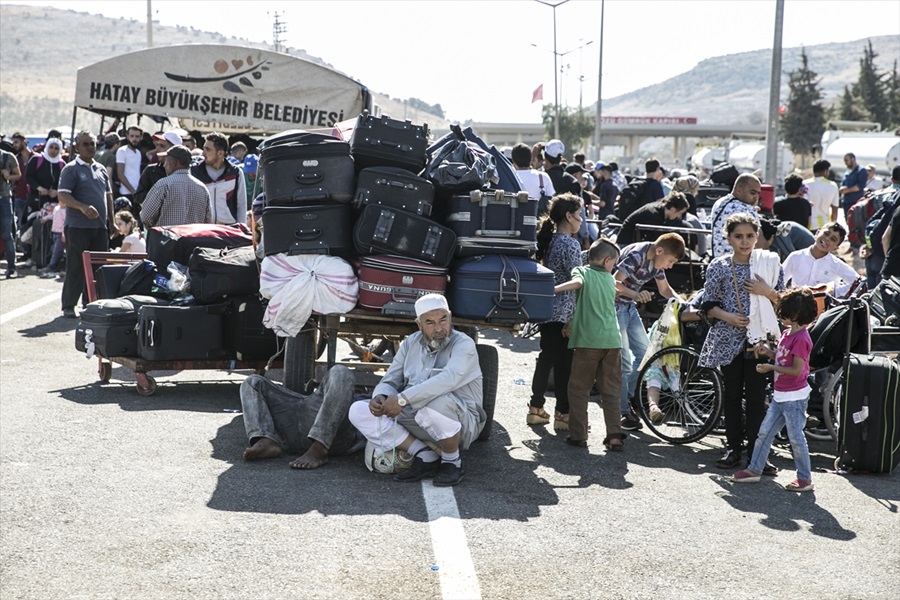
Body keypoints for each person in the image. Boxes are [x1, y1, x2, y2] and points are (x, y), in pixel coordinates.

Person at [347, 294, 485, 487]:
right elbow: (391, 378)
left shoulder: (464, 344)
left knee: (435, 402)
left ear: (450, 317)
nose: (438, 328)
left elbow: (448, 379)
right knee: (358, 411)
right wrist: (381, 397)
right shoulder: (411, 343)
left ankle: (452, 462)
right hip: (417, 416)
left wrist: (402, 399)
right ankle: (424, 455)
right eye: (430, 322)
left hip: (460, 423)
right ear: (419, 324)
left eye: (443, 320)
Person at [700, 213, 784, 471]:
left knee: (758, 397)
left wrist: (766, 292)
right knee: (732, 395)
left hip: (760, 340)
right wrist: (728, 317)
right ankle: (733, 449)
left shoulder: (769, 263)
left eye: (749, 236)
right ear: (728, 238)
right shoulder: (719, 265)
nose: (745, 242)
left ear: (757, 236)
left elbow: (783, 302)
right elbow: (707, 304)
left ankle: (759, 454)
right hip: (729, 339)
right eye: (738, 236)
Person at [732, 287, 819, 492]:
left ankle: (804, 478)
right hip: (782, 394)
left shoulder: (801, 339)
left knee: (796, 437)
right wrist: (770, 353)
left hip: (794, 396)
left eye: (785, 313)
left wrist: (771, 367)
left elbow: (797, 370)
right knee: (765, 433)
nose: (781, 317)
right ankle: (755, 469)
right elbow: (784, 359)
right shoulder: (788, 333)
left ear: (795, 314)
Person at [554, 238, 625, 450]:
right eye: (614, 263)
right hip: (612, 341)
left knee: (578, 388)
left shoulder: (583, 272)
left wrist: (554, 289)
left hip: (588, 342)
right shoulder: (609, 280)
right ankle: (614, 436)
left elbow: (577, 285)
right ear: (607, 261)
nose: (614, 267)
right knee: (611, 390)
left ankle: (578, 435)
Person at [614, 232, 686, 430]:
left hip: (629, 307)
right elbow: (614, 282)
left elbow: (665, 289)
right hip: (616, 307)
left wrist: (685, 304)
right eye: (670, 261)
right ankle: (623, 411)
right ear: (660, 250)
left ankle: (620, 397)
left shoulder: (657, 260)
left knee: (646, 355)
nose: (670, 266)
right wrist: (636, 294)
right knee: (625, 362)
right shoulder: (637, 255)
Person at [529, 193, 585, 431]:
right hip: (565, 310)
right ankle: (562, 412)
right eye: (580, 215)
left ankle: (536, 407)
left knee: (546, 358)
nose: (582, 220)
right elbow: (578, 279)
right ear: (569, 216)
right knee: (564, 364)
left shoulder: (549, 240)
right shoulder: (571, 244)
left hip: (546, 308)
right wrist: (574, 317)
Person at [240, 365, 365, 470]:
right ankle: (265, 439)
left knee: (340, 371)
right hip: (291, 423)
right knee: (252, 381)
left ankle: (320, 447)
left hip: (329, 429)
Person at [57, 132, 114, 318]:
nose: (90, 147)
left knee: (98, 268)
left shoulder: (101, 169)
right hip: (78, 226)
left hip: (99, 228)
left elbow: (108, 197)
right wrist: (81, 207)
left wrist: (111, 222)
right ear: (76, 147)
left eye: (92, 143)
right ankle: (68, 305)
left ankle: (90, 304)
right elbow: (63, 195)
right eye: (85, 144)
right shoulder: (71, 169)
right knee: (76, 266)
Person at [140, 145, 212, 228]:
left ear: (173, 162)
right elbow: (208, 221)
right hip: (194, 239)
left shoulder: (163, 185)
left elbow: (145, 217)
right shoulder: (202, 188)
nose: (164, 165)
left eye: (166, 161)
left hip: (167, 239)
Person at [782, 222, 859, 297]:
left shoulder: (836, 264)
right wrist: (787, 295)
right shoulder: (796, 257)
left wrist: (835, 292)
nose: (827, 239)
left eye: (833, 239)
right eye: (826, 234)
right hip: (796, 305)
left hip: (824, 307)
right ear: (817, 232)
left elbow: (857, 281)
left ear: (835, 248)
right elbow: (780, 279)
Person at [191, 132, 247, 225]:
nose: (203, 153)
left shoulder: (235, 173)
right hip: (201, 229)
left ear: (220, 153)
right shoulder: (194, 172)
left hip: (228, 230)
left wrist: (241, 229)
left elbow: (241, 205)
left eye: (208, 149)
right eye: (203, 148)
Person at [708, 173, 762, 258]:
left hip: (719, 260)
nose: (756, 197)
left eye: (758, 193)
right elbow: (760, 244)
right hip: (741, 263)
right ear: (739, 190)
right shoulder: (747, 210)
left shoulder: (719, 203)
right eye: (753, 193)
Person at [133, 131, 182, 221]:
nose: (157, 149)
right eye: (157, 145)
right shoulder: (150, 170)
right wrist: (157, 198)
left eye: (162, 146)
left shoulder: (185, 174)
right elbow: (138, 196)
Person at [615, 191, 690, 247]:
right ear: (673, 209)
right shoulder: (653, 214)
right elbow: (658, 240)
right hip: (626, 244)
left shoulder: (659, 210)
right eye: (679, 213)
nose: (679, 216)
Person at [510, 143, 555, 214]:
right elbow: (552, 200)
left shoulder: (510, 177)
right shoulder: (543, 177)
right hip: (538, 221)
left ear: (513, 161)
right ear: (530, 159)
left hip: (514, 220)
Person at [1, 144, 22, 278]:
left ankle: (11, 267)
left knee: (7, 234)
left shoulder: (8, 157)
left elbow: (18, 175)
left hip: (4, 198)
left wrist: (8, 176)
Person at [804, 159, 839, 232]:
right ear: (825, 171)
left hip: (807, 224)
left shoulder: (805, 184)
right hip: (824, 225)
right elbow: (834, 210)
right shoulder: (833, 186)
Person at [37, 202, 66, 279]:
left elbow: (65, 223)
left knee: (56, 250)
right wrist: (46, 218)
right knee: (54, 249)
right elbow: (53, 216)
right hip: (55, 232)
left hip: (61, 233)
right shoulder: (57, 208)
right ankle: (57, 266)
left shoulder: (66, 211)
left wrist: (63, 234)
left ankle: (51, 266)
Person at [115, 126, 145, 200]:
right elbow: (120, 174)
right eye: (132, 136)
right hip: (126, 193)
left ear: (141, 137)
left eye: (137, 136)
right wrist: (133, 191)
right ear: (127, 136)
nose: (134, 139)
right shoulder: (122, 151)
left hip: (136, 191)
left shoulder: (138, 153)